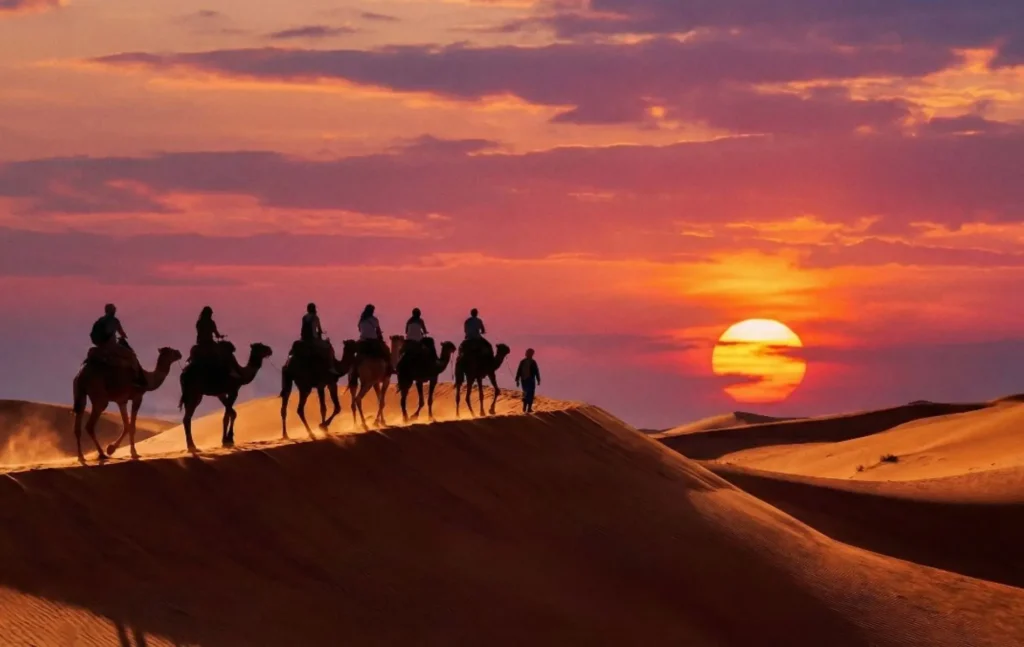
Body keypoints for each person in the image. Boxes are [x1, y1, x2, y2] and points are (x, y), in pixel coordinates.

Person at [89, 304, 146, 387]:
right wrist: (123, 336)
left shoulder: (100, 320)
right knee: (132, 356)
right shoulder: (115, 321)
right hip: (111, 346)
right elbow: (122, 334)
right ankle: (137, 380)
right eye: (114, 310)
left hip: (99, 345)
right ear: (113, 311)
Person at [194, 307, 241, 380]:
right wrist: (220, 336)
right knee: (223, 353)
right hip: (209, 343)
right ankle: (228, 371)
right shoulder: (211, 322)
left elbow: (199, 332)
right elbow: (216, 334)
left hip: (200, 344)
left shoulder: (199, 323)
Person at [301, 303, 338, 377]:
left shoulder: (304, 317)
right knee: (328, 348)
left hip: (304, 339)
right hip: (313, 340)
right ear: (314, 309)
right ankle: (331, 367)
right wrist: (320, 333)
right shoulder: (315, 318)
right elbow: (319, 330)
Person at [515, 348, 541, 413]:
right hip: (524, 380)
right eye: (528, 352)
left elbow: (536, 371)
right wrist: (517, 379)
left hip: (531, 380)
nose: (528, 354)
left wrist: (538, 379)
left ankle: (529, 408)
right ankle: (524, 408)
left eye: (530, 353)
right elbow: (519, 371)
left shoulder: (533, 362)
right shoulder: (522, 362)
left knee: (530, 394)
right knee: (525, 393)